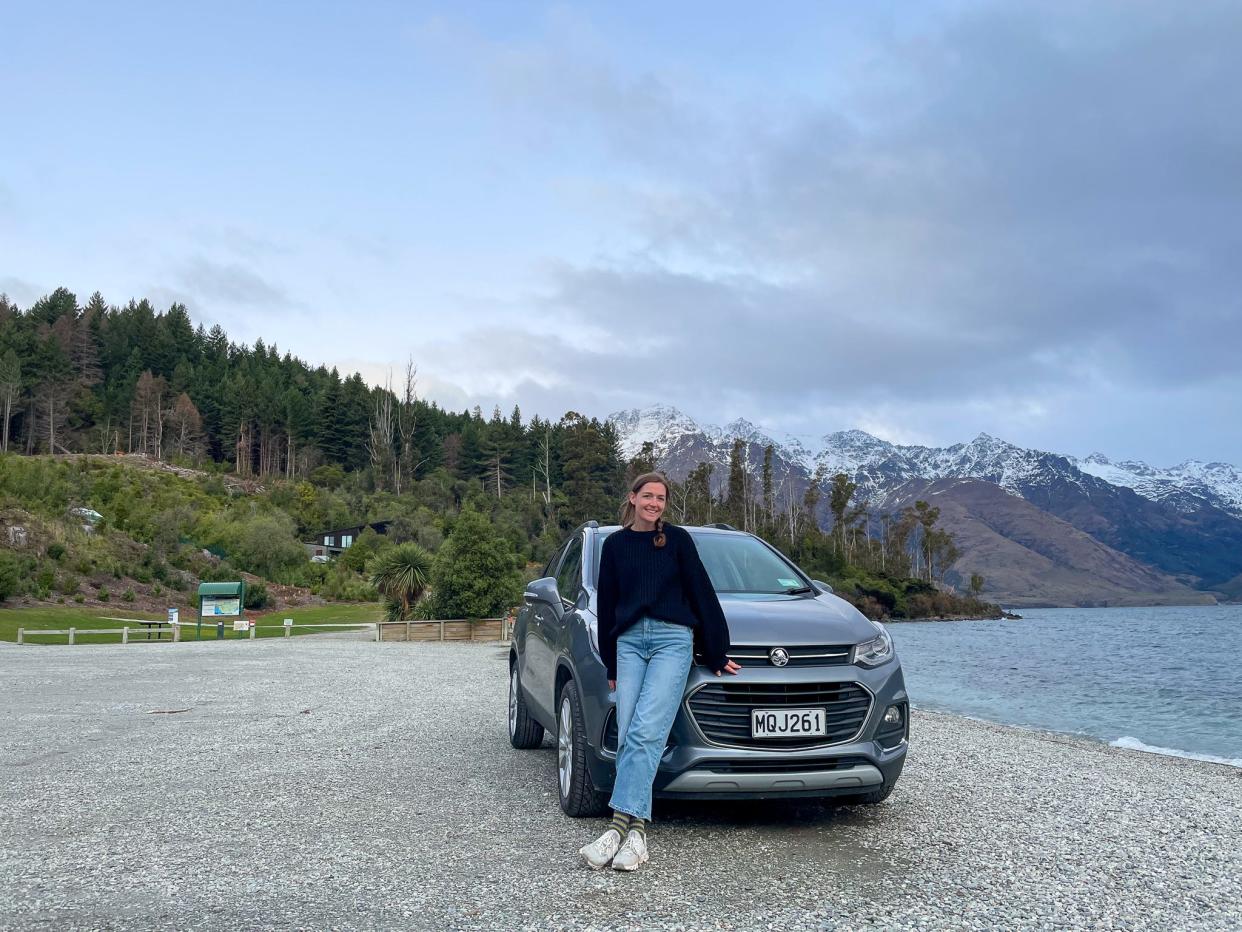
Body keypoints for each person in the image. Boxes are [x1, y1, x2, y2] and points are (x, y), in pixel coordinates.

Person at [579, 471, 740, 871]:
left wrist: (717, 651)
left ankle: (620, 829)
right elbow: (609, 605)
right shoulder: (614, 545)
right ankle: (635, 834)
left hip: (672, 641)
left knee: (645, 731)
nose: (654, 503)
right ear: (632, 498)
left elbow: (701, 592)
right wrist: (612, 661)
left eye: (661, 498)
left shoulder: (677, 541)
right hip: (631, 643)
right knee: (631, 729)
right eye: (648, 496)